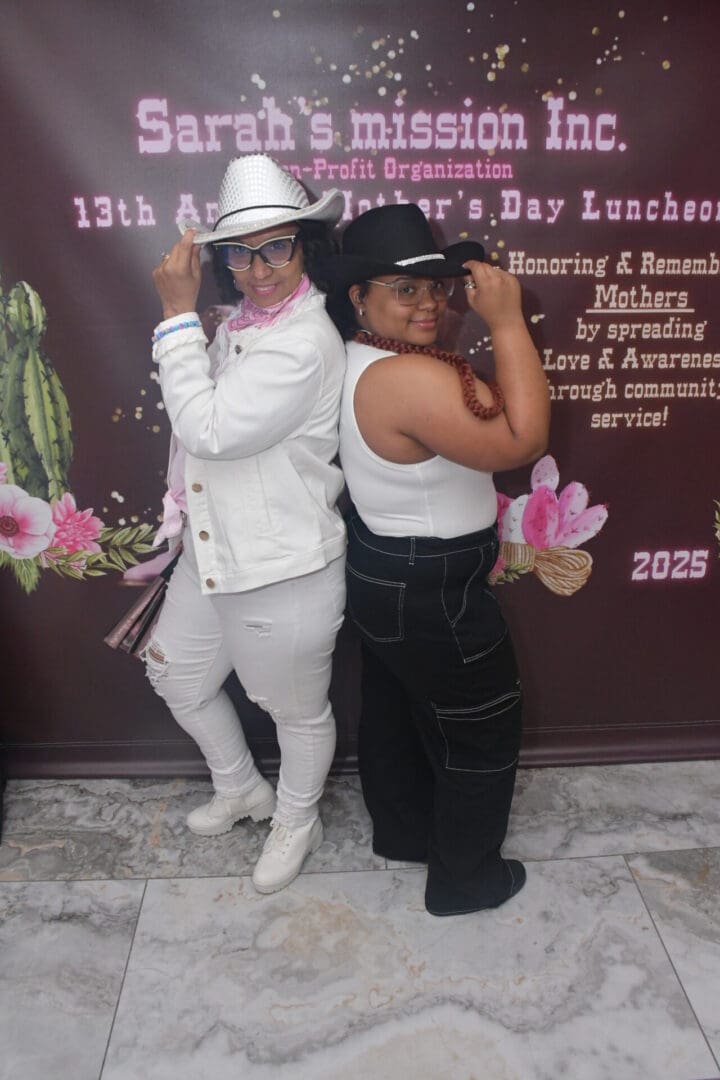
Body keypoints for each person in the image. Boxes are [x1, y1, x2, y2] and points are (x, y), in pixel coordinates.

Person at [324, 203, 550, 916]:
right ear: (359, 297)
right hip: (430, 588)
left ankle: (405, 833)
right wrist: (508, 323)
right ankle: (464, 879)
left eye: (434, 287)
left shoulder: (366, 354)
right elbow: (522, 442)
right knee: (482, 725)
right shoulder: (406, 379)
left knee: (396, 707)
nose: (429, 304)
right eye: (404, 289)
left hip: (387, 573)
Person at [144, 154, 347, 894]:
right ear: (222, 256)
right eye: (241, 251)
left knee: (295, 711)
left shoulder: (302, 342)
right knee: (176, 675)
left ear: (304, 246)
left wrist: (173, 317)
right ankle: (241, 787)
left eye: (276, 247)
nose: (259, 269)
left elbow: (210, 430)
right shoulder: (243, 324)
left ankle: (299, 816)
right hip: (214, 550)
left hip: (281, 568)